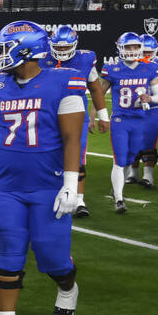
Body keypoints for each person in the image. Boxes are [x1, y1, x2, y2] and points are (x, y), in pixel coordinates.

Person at [0, 21, 85, 315]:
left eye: (5, 48)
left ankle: (68, 291)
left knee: (52, 255)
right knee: (7, 251)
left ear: (25, 50)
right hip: (5, 185)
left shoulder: (63, 81)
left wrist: (71, 182)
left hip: (47, 183)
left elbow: (72, 138)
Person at [42, 25, 107, 218]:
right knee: (46, 155)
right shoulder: (42, 58)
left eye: (66, 47)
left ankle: (79, 200)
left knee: (77, 156)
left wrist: (103, 116)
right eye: (58, 47)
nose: (62, 50)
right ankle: (49, 194)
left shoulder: (85, 59)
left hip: (76, 114)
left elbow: (95, 88)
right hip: (47, 113)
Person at [100, 32, 158, 213]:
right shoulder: (112, 69)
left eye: (135, 46)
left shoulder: (150, 68)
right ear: (120, 48)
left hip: (140, 120)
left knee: (130, 159)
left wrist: (150, 98)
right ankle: (119, 199)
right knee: (119, 159)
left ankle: (117, 188)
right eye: (128, 47)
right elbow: (99, 94)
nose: (132, 50)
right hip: (120, 120)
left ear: (140, 48)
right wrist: (98, 116)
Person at [130, 33, 158, 189]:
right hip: (133, 106)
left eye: (149, 52)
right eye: (144, 52)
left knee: (149, 140)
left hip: (154, 107)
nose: (146, 55)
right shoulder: (131, 63)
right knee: (131, 139)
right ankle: (133, 173)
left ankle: (148, 176)